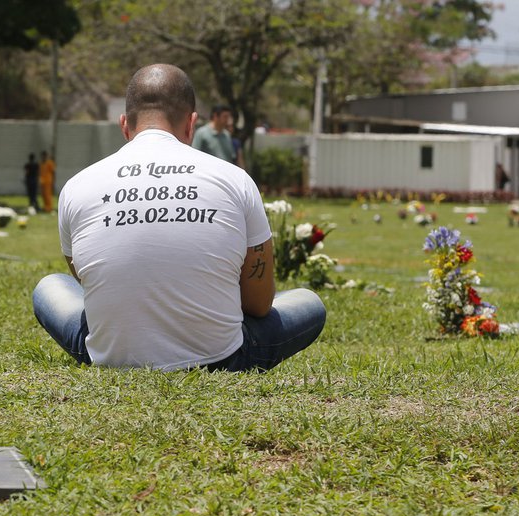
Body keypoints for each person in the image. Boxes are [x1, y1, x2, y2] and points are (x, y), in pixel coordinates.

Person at [32, 64, 326, 372]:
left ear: (124, 125)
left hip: (110, 357)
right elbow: (258, 304)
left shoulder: (77, 185)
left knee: (50, 287)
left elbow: (86, 280)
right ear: (192, 124)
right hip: (223, 359)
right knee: (308, 303)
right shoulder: (235, 180)